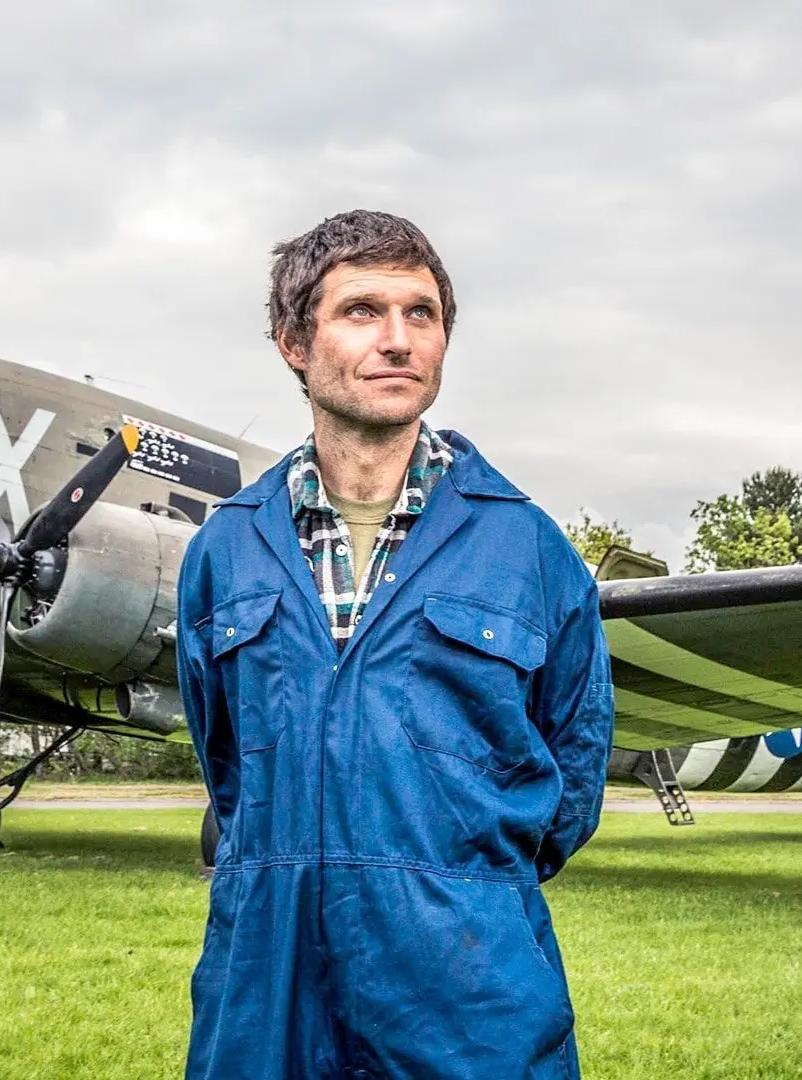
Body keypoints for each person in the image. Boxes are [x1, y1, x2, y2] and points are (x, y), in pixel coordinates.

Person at [177, 210, 614, 1079]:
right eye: (362, 312)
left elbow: (572, 775)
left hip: (470, 1001)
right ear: (293, 343)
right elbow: (226, 765)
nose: (399, 340)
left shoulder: (532, 550)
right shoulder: (222, 551)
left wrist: (457, 887)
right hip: (264, 997)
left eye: (422, 314)